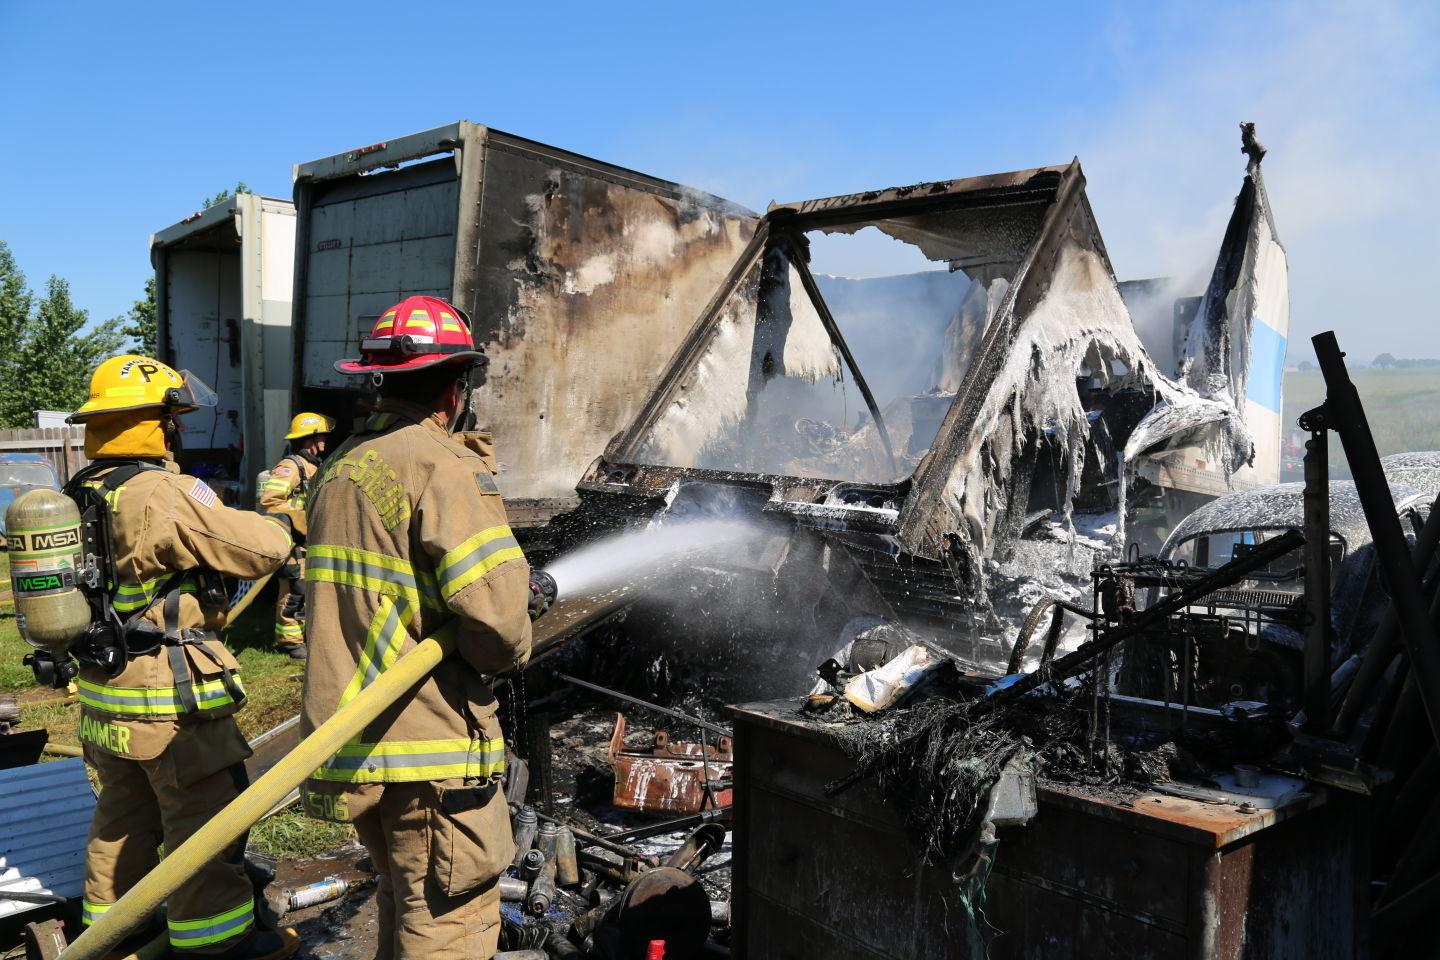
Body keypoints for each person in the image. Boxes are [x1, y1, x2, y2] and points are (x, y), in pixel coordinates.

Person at [299, 296, 533, 960]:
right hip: (430, 744)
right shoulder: (443, 465)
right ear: (455, 386)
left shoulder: (345, 462)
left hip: (363, 739)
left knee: (406, 905)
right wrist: (520, 607)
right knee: (450, 923)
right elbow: (499, 629)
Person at [63, 355, 297, 960]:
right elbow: (257, 551)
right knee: (203, 825)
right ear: (159, 425)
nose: (180, 431)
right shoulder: (161, 493)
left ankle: (114, 930)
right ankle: (215, 942)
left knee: (121, 819)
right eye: (174, 419)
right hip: (167, 705)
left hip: (103, 696)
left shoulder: (80, 491)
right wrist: (285, 518)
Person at [258, 412, 334, 659]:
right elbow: (270, 501)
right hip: (295, 544)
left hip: (311, 542)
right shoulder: (291, 467)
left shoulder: (314, 465)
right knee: (294, 591)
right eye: (321, 434)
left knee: (308, 591)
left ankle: (304, 635)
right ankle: (290, 641)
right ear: (310, 437)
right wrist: (300, 518)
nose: (324, 438)